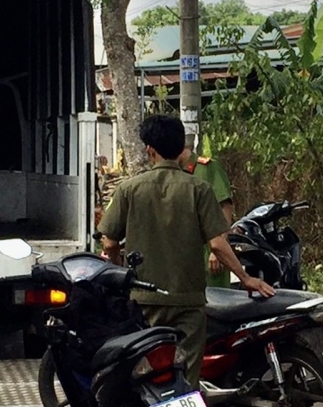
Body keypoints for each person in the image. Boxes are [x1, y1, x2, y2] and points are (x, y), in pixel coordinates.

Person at [97, 115, 273, 388]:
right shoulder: (199, 189)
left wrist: (120, 267)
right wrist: (246, 277)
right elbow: (218, 243)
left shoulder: (129, 189)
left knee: (143, 367)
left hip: (144, 301)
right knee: (189, 371)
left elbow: (108, 243)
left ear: (149, 150)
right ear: (180, 148)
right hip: (188, 301)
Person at [179, 140, 236, 288]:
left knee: (216, 302)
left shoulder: (207, 168)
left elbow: (225, 207)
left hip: (210, 252)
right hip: (185, 254)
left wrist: (217, 250)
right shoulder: (172, 173)